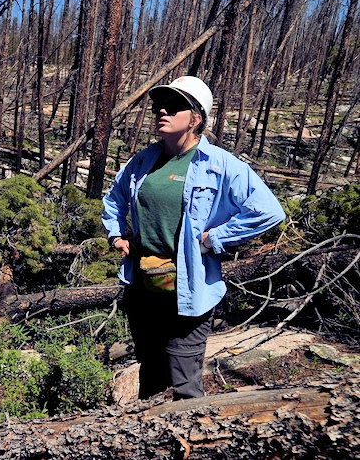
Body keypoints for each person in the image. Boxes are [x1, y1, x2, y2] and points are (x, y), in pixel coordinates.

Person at [102, 76, 285, 400]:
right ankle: (147, 442)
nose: (162, 112)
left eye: (173, 107)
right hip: (143, 286)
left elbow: (268, 211)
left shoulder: (220, 165)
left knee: (185, 383)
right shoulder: (143, 161)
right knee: (151, 373)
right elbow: (115, 199)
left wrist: (214, 239)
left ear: (196, 118)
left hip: (189, 288)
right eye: (159, 106)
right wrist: (117, 235)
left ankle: (194, 439)